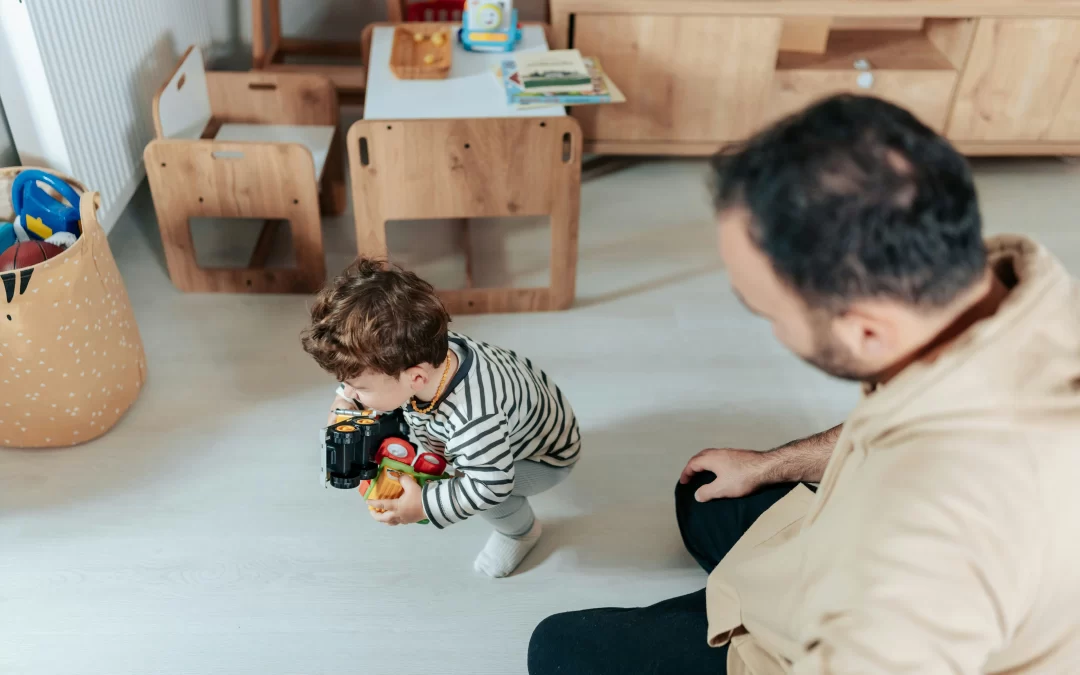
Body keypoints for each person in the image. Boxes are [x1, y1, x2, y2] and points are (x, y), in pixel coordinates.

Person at [529, 95, 1080, 673]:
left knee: (560, 649)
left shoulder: (932, 550)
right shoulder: (1017, 294)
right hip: (829, 550)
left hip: (827, 629)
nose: (769, 328)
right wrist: (775, 463)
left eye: (767, 311)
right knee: (704, 495)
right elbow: (901, 413)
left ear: (867, 331)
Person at [301, 258, 581, 578]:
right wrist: (346, 402)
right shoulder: (423, 346)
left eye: (357, 386)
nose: (348, 393)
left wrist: (423, 505)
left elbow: (491, 485)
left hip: (542, 457)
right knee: (397, 411)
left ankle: (520, 533)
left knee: (486, 493)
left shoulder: (472, 420)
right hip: (517, 416)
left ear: (416, 379)